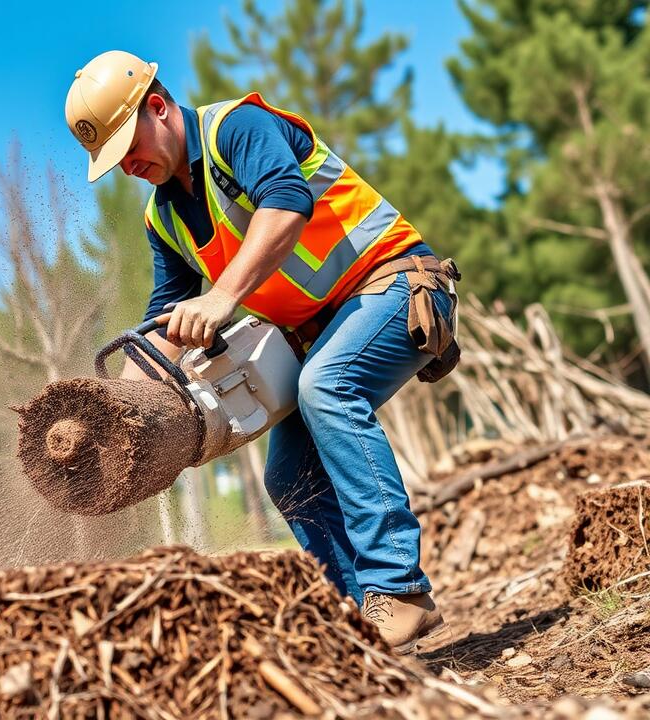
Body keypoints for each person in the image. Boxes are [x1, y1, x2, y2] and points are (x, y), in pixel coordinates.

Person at [64, 50, 460, 653]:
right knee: (287, 476)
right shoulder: (162, 217)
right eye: (112, 160)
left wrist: (223, 298)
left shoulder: (234, 131)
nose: (127, 167)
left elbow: (287, 202)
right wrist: (121, 411)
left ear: (159, 107)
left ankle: (398, 590)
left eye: (127, 146)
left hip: (397, 283)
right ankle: (356, 626)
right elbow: (164, 318)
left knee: (325, 387)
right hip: (324, 332)